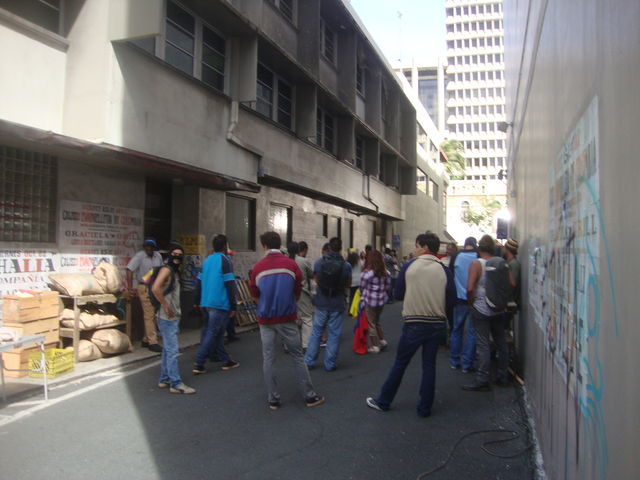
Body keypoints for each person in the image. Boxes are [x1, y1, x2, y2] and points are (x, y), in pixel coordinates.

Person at [366, 232, 455, 417]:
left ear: (424, 247)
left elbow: (398, 294)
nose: (415, 250)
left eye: (417, 246)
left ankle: (384, 401)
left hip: (414, 322)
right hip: (437, 324)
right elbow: (451, 299)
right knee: (429, 365)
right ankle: (424, 408)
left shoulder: (409, 266)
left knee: (401, 363)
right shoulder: (444, 270)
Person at [249, 231, 324, 409]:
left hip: (266, 319)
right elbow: (297, 290)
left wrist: (264, 305)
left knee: (268, 358)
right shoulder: (291, 265)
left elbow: (254, 294)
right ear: (279, 244)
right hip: (287, 317)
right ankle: (309, 396)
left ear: (264, 246)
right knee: (297, 356)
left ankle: (273, 399)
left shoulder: (258, 268)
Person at [462, 234, 512, 391]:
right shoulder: (501, 263)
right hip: (498, 308)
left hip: (481, 308)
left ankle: (482, 379)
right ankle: (503, 375)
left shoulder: (476, 264)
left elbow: (470, 288)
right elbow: (512, 283)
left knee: (483, 344)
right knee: (501, 342)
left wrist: (471, 303)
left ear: (479, 249)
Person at [192, 234, 240, 375]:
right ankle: (199, 362)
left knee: (217, 332)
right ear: (225, 246)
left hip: (205, 301)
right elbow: (230, 283)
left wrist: (197, 301)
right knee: (213, 332)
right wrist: (233, 305)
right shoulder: (225, 261)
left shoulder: (207, 261)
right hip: (219, 302)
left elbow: (199, 282)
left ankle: (225, 359)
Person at [152, 242, 195, 394]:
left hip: (171, 316)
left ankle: (164, 379)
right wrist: (165, 306)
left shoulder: (175, 272)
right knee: (172, 351)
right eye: (174, 254)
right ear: (169, 255)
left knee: (167, 349)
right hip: (167, 317)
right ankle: (176, 383)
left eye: (180, 255)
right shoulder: (167, 270)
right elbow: (155, 288)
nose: (177, 257)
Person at [304, 237, 352, 372]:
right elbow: (348, 284)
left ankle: (309, 360)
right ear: (340, 249)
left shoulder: (319, 262)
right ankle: (329, 363)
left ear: (329, 247)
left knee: (316, 332)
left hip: (321, 301)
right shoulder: (346, 265)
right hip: (337, 302)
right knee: (334, 334)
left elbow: (316, 280)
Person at [126, 238, 163, 352]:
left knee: (153, 314)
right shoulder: (140, 256)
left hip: (155, 287)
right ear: (144, 247)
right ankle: (153, 342)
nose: (149, 249)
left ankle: (146, 339)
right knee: (149, 314)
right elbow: (129, 269)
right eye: (147, 246)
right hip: (144, 286)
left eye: (151, 247)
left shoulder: (158, 256)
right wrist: (130, 287)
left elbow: (161, 270)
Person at [449, 237, 478, 373]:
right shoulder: (478, 255)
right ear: (474, 244)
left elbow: (450, 276)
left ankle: (455, 361)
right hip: (474, 299)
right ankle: (467, 364)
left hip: (459, 298)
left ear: (465, 244)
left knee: (457, 329)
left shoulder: (456, 256)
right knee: (472, 332)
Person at [359, 250, 391, 354]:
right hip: (381, 300)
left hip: (370, 300)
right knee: (377, 321)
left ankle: (375, 346)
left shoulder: (367, 274)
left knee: (371, 323)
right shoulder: (386, 272)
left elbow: (362, 287)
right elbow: (388, 287)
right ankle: (382, 340)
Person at [295, 241, 314, 350]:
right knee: (307, 317)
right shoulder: (304, 261)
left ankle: (289, 344)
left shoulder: (289, 260)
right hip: (302, 291)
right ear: (305, 250)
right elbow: (311, 274)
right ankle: (306, 344)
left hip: (289, 292)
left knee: (293, 317)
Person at [503, 238, 521, 334]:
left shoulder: (513, 264)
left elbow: (512, 284)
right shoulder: (511, 263)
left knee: (503, 329)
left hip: (509, 302)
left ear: (507, 249)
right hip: (509, 301)